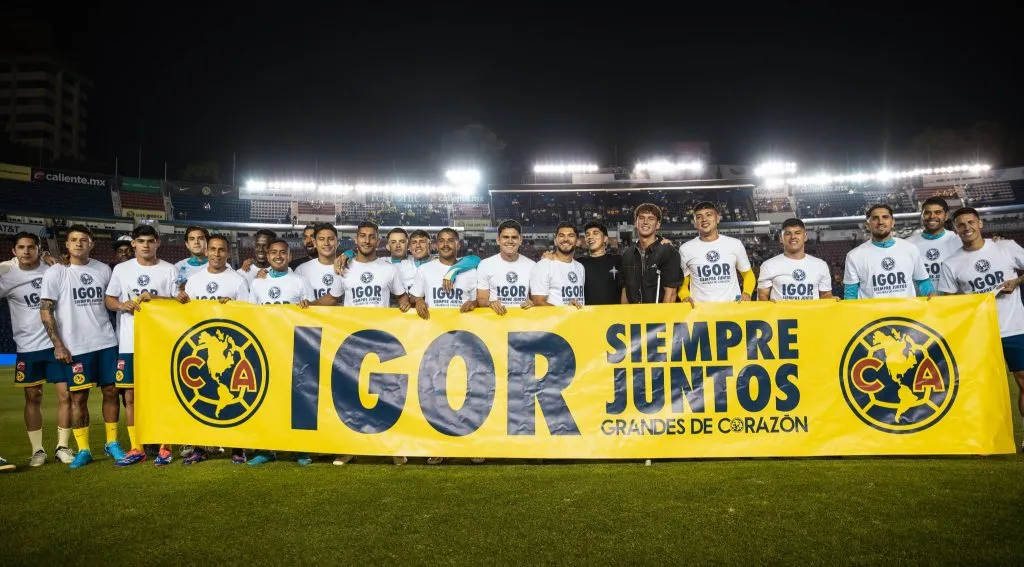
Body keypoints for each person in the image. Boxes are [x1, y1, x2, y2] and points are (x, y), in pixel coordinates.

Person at [938, 207, 1024, 451]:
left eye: (970, 222)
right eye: (961, 225)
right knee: (978, 388)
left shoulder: (1005, 247)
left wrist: (1016, 281)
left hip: (1015, 328)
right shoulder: (951, 264)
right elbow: (949, 302)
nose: (967, 228)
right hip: (979, 334)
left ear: (980, 224)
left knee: (1022, 381)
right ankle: (978, 436)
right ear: (955, 231)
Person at [39, 225, 125, 469]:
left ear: (91, 244)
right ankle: (84, 448)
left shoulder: (102, 269)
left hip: (106, 341)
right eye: (74, 240)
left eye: (84, 240)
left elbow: (112, 300)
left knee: (111, 392)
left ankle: (112, 442)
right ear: (66, 245)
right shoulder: (55, 272)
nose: (79, 244)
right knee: (79, 397)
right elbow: (46, 309)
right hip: (75, 346)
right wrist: (58, 344)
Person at [324, 221, 409, 466]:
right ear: (356, 239)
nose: (367, 240)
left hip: (382, 340)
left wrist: (406, 304)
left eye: (372, 236)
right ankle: (349, 447)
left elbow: (402, 298)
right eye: (363, 236)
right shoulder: (343, 268)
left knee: (385, 394)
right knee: (349, 395)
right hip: (351, 339)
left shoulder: (389, 270)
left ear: (378, 240)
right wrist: (301, 308)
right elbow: (333, 300)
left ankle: (392, 446)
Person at [104, 224, 177, 466]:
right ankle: (137, 447)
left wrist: (156, 299)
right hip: (129, 342)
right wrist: (121, 305)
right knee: (131, 397)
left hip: (161, 343)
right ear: (133, 244)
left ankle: (165, 447)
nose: (145, 245)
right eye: (140, 241)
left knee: (164, 395)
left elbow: (179, 304)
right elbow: (110, 299)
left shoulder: (169, 270)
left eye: (150, 240)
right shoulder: (122, 270)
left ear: (158, 242)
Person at [408, 228, 481, 465]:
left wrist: (473, 303)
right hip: (434, 340)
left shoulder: (472, 269)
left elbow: (479, 299)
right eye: (442, 241)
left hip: (465, 339)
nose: (446, 245)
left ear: (458, 244)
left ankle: (472, 443)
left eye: (451, 241)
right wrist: (418, 301)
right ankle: (437, 444)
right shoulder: (425, 270)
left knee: (469, 390)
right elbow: (415, 296)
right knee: (435, 392)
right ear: (435, 245)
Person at [0, 232, 73, 467]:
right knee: (33, 396)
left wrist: (54, 260)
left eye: (31, 246)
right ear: (14, 251)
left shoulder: (53, 269)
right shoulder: (7, 274)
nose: (26, 251)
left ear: (39, 248)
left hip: (57, 344)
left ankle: (62, 446)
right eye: (21, 247)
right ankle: (37, 451)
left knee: (66, 395)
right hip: (27, 346)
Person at [176, 234, 251, 465]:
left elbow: (250, 316)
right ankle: (200, 447)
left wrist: (234, 307)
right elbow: (185, 316)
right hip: (201, 351)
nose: (217, 254)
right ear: (206, 251)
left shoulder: (238, 280)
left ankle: (237, 448)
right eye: (213, 249)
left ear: (228, 254)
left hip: (229, 350)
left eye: (222, 250)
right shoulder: (194, 281)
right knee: (201, 397)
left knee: (233, 398)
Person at [247, 239, 314, 466]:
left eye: (282, 253)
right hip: (265, 349)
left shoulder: (300, 282)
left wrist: (308, 308)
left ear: (289, 255)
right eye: (273, 252)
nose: (278, 256)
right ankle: (267, 449)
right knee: (267, 400)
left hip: (294, 351)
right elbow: (250, 316)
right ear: (267, 254)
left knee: (295, 402)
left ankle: (299, 448)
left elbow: (315, 317)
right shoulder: (257, 284)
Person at [843, 204, 933, 299]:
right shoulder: (854, 256)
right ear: (867, 224)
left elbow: (922, 281)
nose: (880, 222)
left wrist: (931, 294)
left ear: (893, 222)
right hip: (873, 313)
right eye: (875, 218)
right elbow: (850, 294)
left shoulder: (910, 248)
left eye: (885, 217)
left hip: (905, 312)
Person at [678, 202, 755, 304]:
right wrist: (685, 296)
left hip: (731, 310)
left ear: (718, 218)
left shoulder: (735, 244)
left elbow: (748, 274)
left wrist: (747, 293)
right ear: (694, 222)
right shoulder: (685, 249)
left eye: (709, 215)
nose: (704, 219)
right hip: (700, 312)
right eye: (699, 217)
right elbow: (682, 283)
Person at [756, 218, 833, 301]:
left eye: (797, 233)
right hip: (782, 314)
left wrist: (831, 299)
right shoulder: (768, 265)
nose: (793, 237)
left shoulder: (821, 265)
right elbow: (762, 296)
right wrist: (769, 304)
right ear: (781, 238)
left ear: (805, 236)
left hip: (811, 313)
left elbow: (825, 294)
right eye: (788, 233)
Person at [621, 203, 681, 304]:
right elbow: (625, 290)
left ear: (658, 224)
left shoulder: (668, 251)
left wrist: (662, 318)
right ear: (636, 223)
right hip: (633, 317)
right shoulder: (628, 253)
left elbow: (671, 293)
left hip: (656, 317)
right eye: (641, 218)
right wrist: (624, 317)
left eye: (651, 218)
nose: (645, 222)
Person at [476, 220, 535, 315]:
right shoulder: (485, 265)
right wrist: (490, 303)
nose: (510, 241)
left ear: (520, 240)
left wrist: (532, 303)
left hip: (523, 319)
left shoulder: (532, 265)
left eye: (514, 237)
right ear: (498, 240)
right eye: (505, 237)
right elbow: (481, 298)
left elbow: (536, 298)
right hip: (496, 319)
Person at [529, 222, 585, 308]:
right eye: (561, 235)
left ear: (577, 241)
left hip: (578, 320)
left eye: (571, 235)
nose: (566, 239)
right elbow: (538, 302)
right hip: (556, 321)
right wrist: (565, 311)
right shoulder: (543, 265)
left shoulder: (580, 267)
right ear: (555, 241)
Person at [906, 196, 961, 285]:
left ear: (946, 216)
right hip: (921, 298)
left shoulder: (958, 241)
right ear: (922, 216)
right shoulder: (908, 244)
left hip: (952, 298)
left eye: (938, 212)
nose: (932, 216)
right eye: (927, 213)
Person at [295, 223, 345, 305]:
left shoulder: (346, 266)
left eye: (331, 239)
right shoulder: (301, 270)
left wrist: (350, 253)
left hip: (341, 317)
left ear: (338, 242)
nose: (326, 243)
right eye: (321, 239)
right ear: (314, 242)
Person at [577, 221, 623, 305]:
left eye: (595, 233)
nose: (590, 237)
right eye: (587, 234)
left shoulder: (618, 260)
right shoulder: (579, 263)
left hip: (613, 316)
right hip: (588, 316)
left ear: (605, 238)